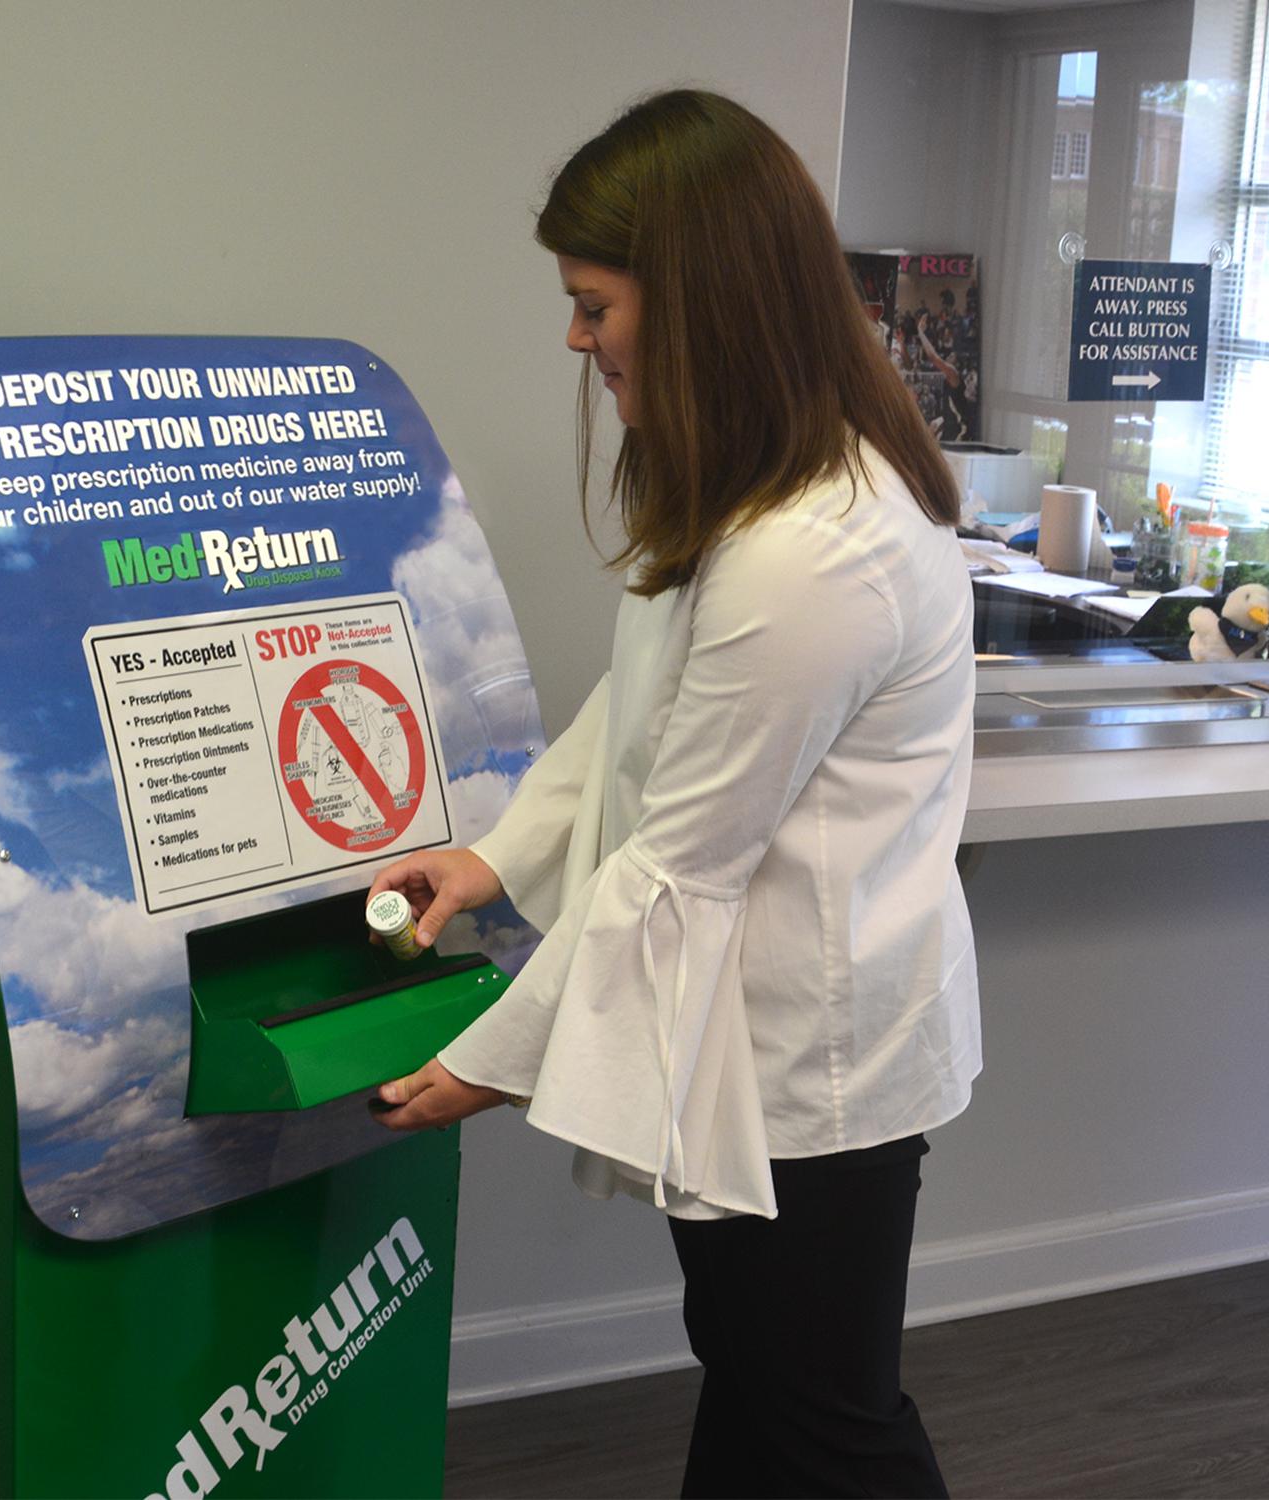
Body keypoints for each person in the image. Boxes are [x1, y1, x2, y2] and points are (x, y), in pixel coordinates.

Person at [368, 89, 980, 1498]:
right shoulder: (759, 497)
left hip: (807, 1068)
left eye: (595, 305)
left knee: (828, 1420)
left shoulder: (814, 551)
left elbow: (679, 860)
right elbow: (641, 708)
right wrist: (496, 858)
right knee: (761, 1385)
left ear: (701, 300)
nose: (577, 340)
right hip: (745, 1039)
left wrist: (488, 1060)